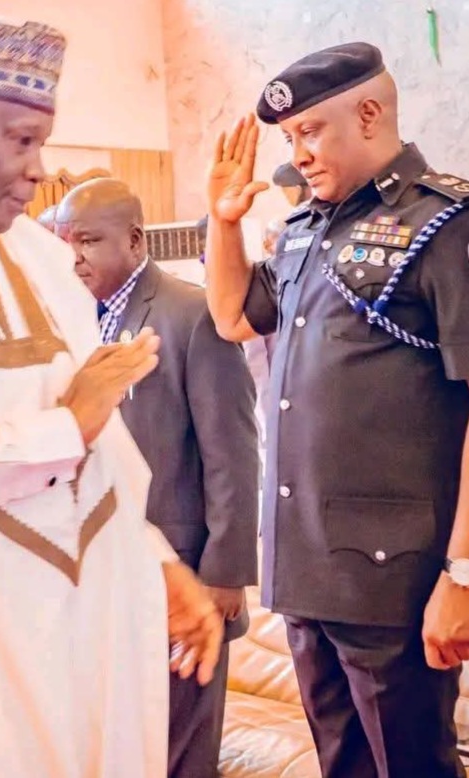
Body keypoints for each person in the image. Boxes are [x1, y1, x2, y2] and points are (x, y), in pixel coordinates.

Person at [0, 11, 223, 778]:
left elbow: (102, 448)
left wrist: (155, 560)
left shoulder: (39, 257)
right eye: (21, 140)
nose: (39, 170)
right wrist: (58, 432)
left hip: (86, 628)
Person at [205, 41, 469, 778]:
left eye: (310, 132)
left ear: (369, 114)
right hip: (305, 567)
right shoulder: (305, 231)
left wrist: (462, 573)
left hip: (392, 580)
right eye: (290, 138)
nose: (299, 154)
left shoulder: (445, 225)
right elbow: (232, 317)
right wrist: (222, 222)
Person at [55, 177, 259, 778]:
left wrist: (225, 574)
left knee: (182, 751)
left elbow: (233, 452)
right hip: (103, 566)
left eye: (89, 241)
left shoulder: (190, 314)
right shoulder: (68, 320)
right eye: (65, 243)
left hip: (187, 570)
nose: (74, 257)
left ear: (136, 240)